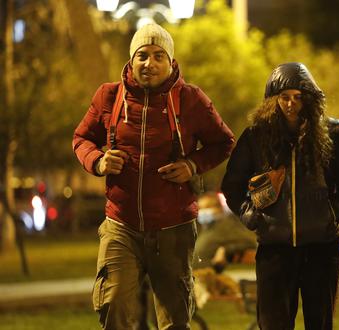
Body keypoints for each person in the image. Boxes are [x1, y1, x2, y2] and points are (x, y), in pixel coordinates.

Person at [72, 23, 235, 329]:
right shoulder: (108, 97)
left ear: (171, 62)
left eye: (159, 55)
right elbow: (81, 138)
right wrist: (98, 161)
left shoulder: (191, 99)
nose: (150, 63)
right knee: (114, 305)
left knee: (175, 319)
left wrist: (192, 165)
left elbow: (224, 142)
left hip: (173, 228)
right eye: (142, 55)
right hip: (121, 225)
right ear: (131, 61)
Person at [221, 62, 339, 330]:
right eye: (284, 97)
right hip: (275, 249)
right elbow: (232, 184)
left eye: (298, 97)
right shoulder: (257, 135)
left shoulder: (333, 132)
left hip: (323, 248)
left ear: (309, 99)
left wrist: (335, 212)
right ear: (272, 100)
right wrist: (252, 216)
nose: (290, 104)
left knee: (320, 323)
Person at [193, 191, 257, 272]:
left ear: (219, 208)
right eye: (200, 208)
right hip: (200, 276)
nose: (203, 211)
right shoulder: (207, 227)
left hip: (214, 277)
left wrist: (226, 250)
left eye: (207, 207)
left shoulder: (228, 224)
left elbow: (250, 242)